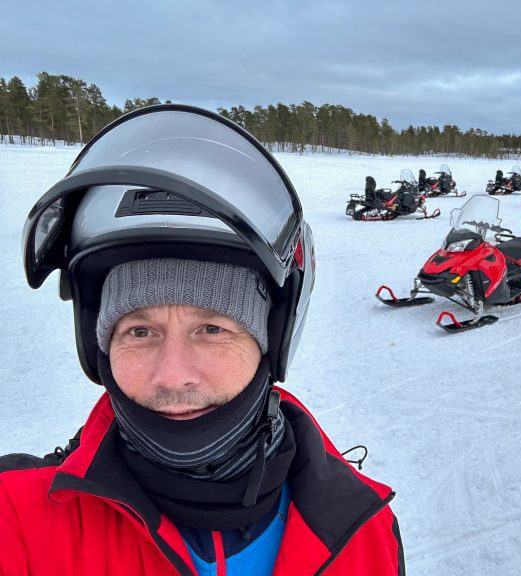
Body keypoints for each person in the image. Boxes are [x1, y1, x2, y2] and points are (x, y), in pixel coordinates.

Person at [0, 105, 405, 575]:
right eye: (139, 330)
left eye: (212, 329)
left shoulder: (361, 530)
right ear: (100, 346)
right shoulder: (16, 518)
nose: (173, 374)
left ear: (270, 341)